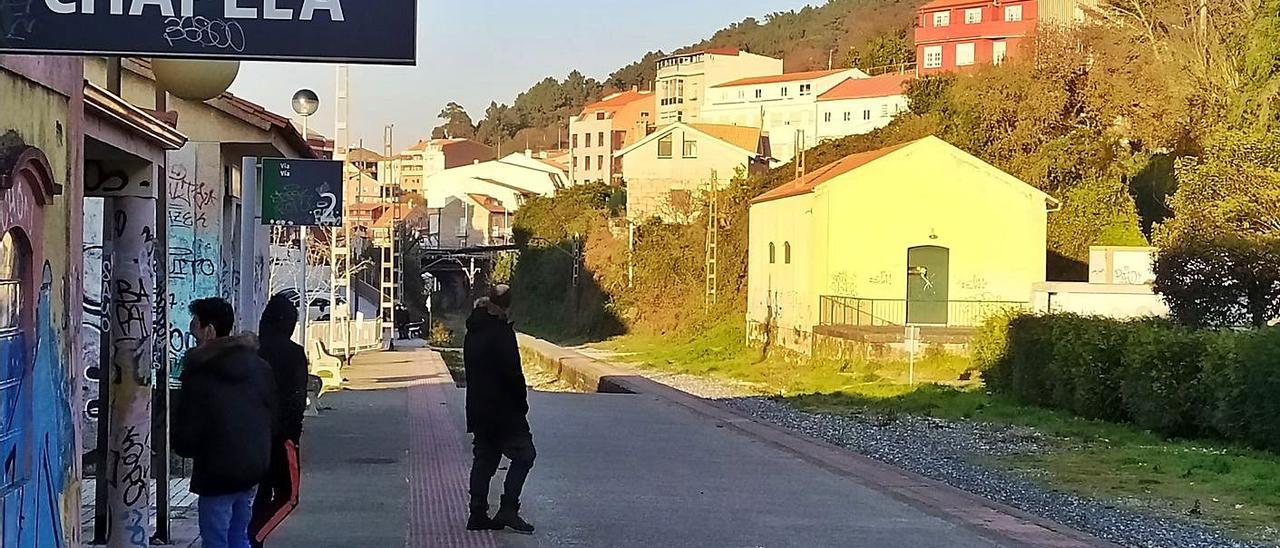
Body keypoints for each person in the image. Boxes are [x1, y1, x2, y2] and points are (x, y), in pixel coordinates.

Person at [174, 298, 277, 548]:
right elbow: (272, 413)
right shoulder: (259, 366)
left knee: (215, 539)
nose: (191, 328)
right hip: (253, 465)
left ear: (209, 330)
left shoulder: (199, 371)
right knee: (239, 536)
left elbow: (188, 430)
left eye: (195, 323)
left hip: (217, 471)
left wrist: (184, 447)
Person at [464, 285, 537, 534]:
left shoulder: (473, 330)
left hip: (479, 409)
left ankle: (477, 513)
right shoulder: (502, 333)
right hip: (504, 411)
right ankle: (508, 509)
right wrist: (521, 402)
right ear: (507, 306)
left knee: (484, 459)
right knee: (525, 455)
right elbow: (513, 375)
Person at [249, 294, 309, 547]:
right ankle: (255, 535)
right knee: (289, 496)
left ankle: (253, 537)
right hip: (283, 438)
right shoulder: (294, 354)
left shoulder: (254, 351)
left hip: (253, 436)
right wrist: (292, 437)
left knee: (261, 492)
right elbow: (297, 399)